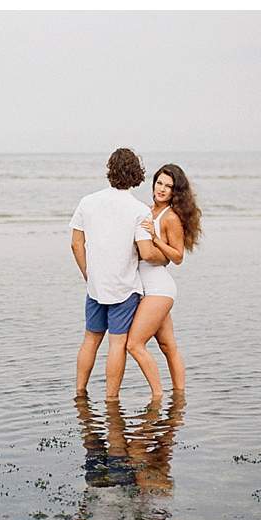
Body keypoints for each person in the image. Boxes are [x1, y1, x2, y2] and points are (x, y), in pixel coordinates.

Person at [70, 148, 164, 401]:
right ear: (136, 174)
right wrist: (167, 255)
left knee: (90, 339)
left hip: (96, 286)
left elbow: (76, 244)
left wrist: (88, 274)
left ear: (110, 170)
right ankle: (111, 398)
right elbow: (146, 251)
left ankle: (80, 391)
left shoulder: (87, 201)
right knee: (117, 344)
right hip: (124, 286)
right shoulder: (139, 210)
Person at [126, 164, 202, 398]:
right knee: (168, 346)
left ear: (174, 192)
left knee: (133, 344)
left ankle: (157, 396)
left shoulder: (170, 217)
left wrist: (156, 239)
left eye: (168, 186)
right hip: (146, 288)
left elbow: (177, 257)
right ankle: (180, 396)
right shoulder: (147, 211)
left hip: (159, 288)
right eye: (159, 183)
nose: (162, 189)